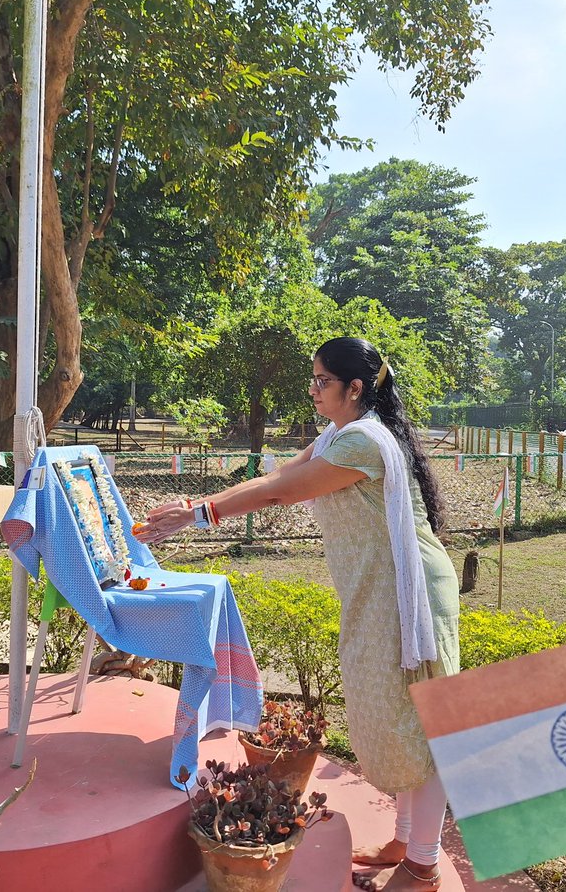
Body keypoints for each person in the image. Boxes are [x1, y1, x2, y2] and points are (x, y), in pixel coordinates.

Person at [137, 337, 460, 892]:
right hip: (380, 589)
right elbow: (272, 480)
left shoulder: (361, 441)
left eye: (321, 381)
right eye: (311, 379)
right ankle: (406, 840)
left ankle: (421, 866)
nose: (312, 390)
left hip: (407, 596)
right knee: (397, 717)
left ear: (355, 389)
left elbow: (278, 496)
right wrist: (191, 510)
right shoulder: (338, 434)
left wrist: (194, 515)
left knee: (422, 724)